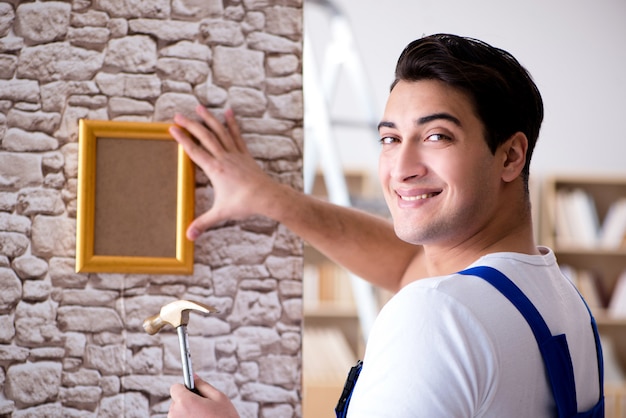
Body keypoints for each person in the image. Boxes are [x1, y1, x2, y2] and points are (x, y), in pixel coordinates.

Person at [166, 34, 603, 417]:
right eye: (391, 139)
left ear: (510, 157)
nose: (402, 168)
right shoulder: (560, 302)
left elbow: (431, 293)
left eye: (437, 136)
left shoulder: (436, 313)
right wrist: (268, 196)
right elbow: (406, 264)